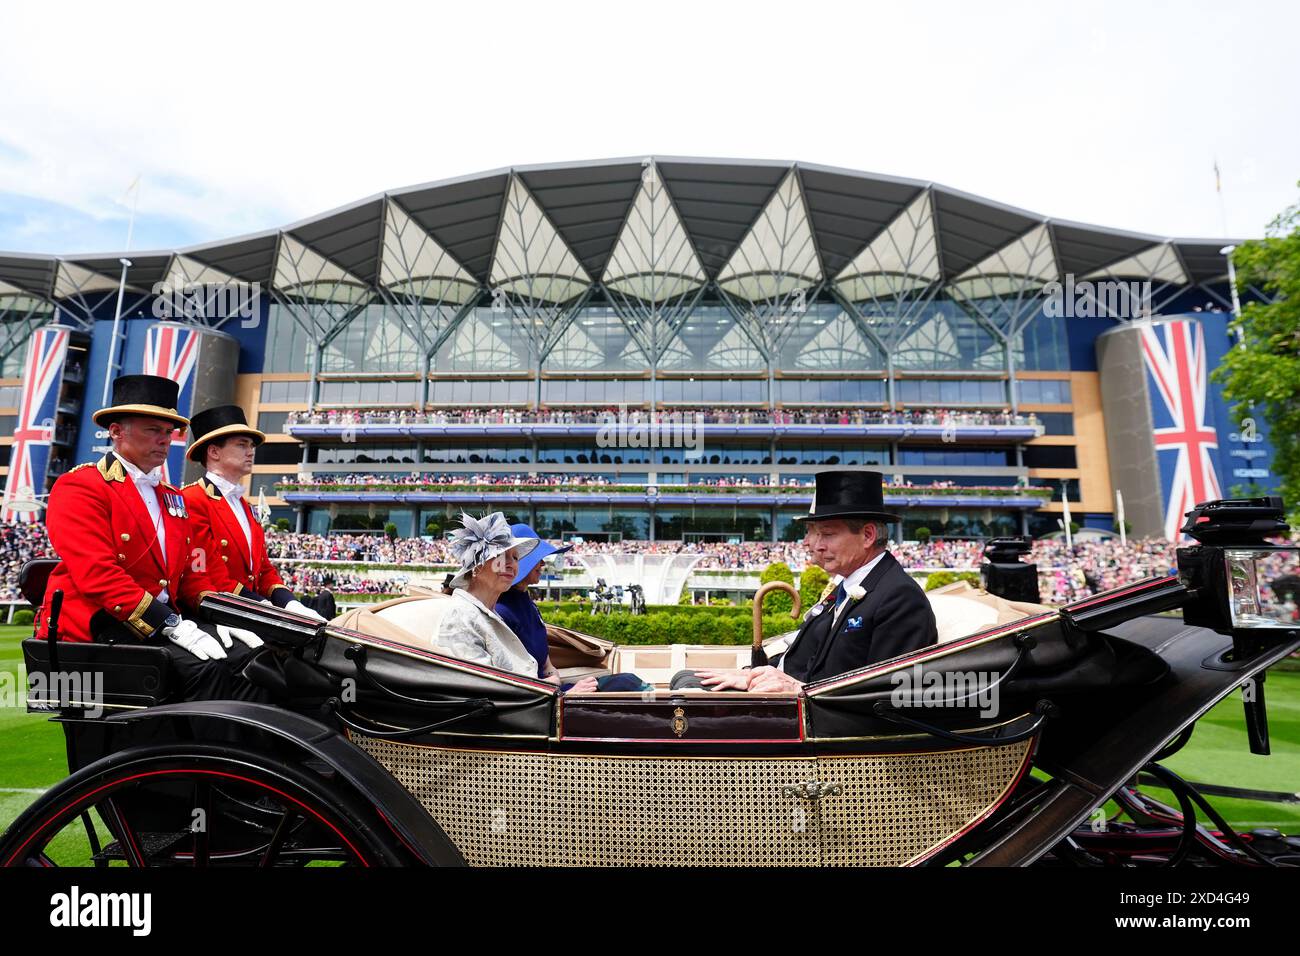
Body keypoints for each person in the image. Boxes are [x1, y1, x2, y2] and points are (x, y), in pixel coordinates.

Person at [35, 375, 267, 702]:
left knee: (248, 658)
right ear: (116, 431)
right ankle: (200, 754)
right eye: (152, 430)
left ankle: (243, 750)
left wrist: (224, 616)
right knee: (207, 666)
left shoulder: (172, 498)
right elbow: (99, 576)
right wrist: (172, 623)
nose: (164, 441)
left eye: (168, 433)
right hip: (103, 619)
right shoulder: (82, 486)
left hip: (159, 618)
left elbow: (192, 577)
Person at [674, 470, 937, 693]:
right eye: (812, 534)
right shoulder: (846, 586)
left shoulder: (900, 597)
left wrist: (798, 689)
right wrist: (753, 675)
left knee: (686, 699)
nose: (814, 545)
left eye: (827, 534)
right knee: (684, 680)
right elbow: (809, 657)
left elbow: (884, 694)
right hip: (802, 706)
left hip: (827, 734)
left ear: (867, 535)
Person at [181, 404, 325, 621]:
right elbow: (211, 574)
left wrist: (289, 602)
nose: (251, 451)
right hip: (216, 614)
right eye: (241, 445)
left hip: (250, 609)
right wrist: (263, 607)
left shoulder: (246, 506)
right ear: (214, 451)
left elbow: (263, 568)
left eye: (250, 445)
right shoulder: (193, 499)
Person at [433, 512, 599, 693]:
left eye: (515, 557)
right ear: (477, 567)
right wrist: (563, 695)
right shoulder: (461, 616)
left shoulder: (489, 614)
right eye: (502, 556)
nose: (511, 564)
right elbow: (486, 692)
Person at [494, 523, 648, 691]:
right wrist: (568, 692)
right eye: (537, 558)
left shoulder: (526, 603)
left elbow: (546, 665)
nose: (543, 563)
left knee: (627, 681)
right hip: (541, 698)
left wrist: (556, 681)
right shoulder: (502, 609)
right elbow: (514, 681)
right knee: (626, 684)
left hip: (551, 690)